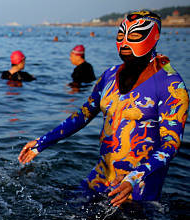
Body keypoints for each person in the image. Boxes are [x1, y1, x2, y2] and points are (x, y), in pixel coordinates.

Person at [18, 11, 188, 206]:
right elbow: (83, 115)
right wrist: (42, 142)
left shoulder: (171, 85)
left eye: (133, 36)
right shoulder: (110, 75)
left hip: (138, 189)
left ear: (154, 37)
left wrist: (134, 178)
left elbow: (171, 144)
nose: (124, 43)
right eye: (120, 35)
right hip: (100, 178)